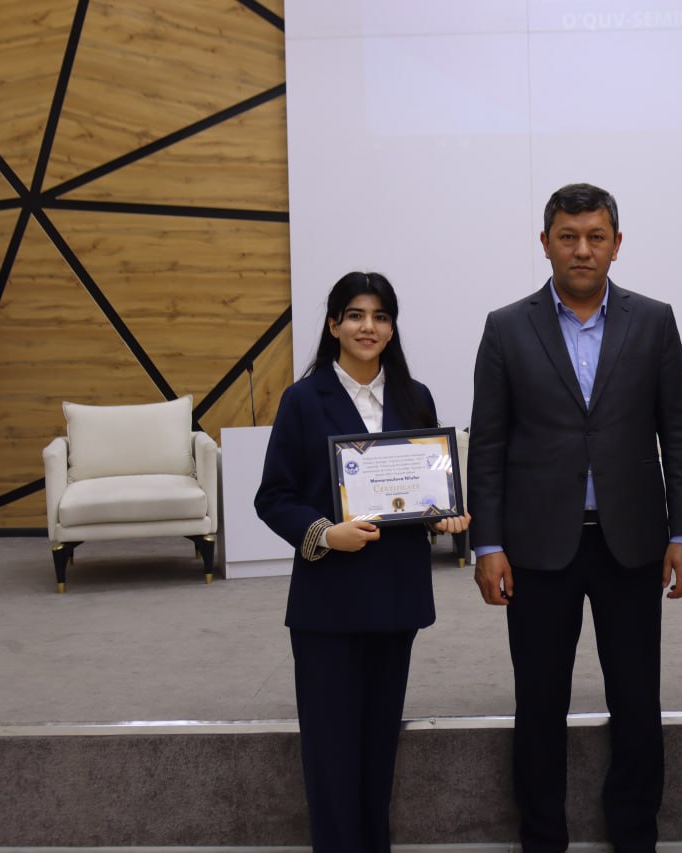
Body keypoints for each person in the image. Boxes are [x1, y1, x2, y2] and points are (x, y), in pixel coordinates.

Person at [468, 183, 682, 851]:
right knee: (540, 701)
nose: (582, 249)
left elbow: (678, 432)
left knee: (637, 697)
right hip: (536, 548)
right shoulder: (505, 327)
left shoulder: (653, 321)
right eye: (568, 237)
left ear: (616, 245)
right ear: (545, 243)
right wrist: (487, 543)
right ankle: (543, 837)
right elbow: (487, 445)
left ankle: (633, 833)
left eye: (595, 237)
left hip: (632, 543)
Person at [255, 271, 469, 852]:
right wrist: (326, 533)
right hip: (328, 604)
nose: (367, 326)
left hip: (395, 599)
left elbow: (424, 493)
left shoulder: (415, 397)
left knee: (378, 748)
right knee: (330, 752)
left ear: (392, 328)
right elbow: (273, 497)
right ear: (333, 325)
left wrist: (442, 517)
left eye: (380, 316)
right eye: (354, 315)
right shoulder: (303, 400)